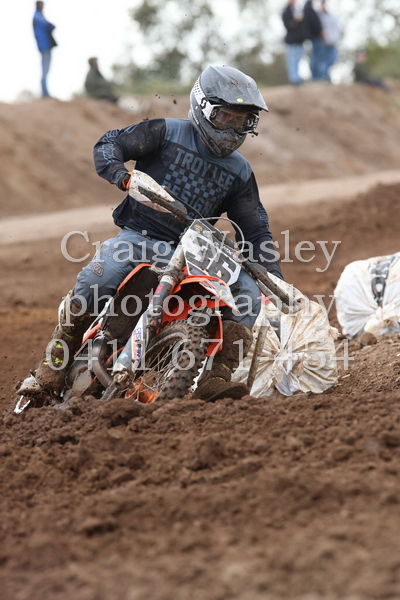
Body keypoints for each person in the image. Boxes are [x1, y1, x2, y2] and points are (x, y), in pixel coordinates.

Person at [21, 65, 283, 404]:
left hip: (196, 251)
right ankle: (54, 361)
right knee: (101, 276)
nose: (233, 128)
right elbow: (110, 143)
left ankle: (217, 376)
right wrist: (123, 176)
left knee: (247, 293)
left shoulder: (240, 171)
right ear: (204, 108)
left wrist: (274, 279)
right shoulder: (165, 132)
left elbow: (255, 230)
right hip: (142, 237)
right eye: (226, 117)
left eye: (242, 121)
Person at [33, 1, 57, 98]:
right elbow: (47, 25)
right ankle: (44, 93)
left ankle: (45, 92)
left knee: (46, 70)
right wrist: (51, 26)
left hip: (45, 46)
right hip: (44, 46)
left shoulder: (39, 16)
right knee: (45, 69)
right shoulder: (38, 16)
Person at [282, 0, 307, 85]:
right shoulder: (286, 12)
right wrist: (294, 22)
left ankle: (297, 78)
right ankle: (294, 79)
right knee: (292, 60)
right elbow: (287, 25)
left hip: (300, 40)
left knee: (298, 60)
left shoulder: (298, 10)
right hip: (292, 41)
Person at [318, 0, 341, 81]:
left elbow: (337, 27)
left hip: (332, 41)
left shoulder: (332, 15)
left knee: (333, 59)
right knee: (323, 60)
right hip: (323, 42)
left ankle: (325, 74)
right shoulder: (319, 15)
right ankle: (324, 76)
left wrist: (336, 37)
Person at [303, 0, 324, 80]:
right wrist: (320, 31)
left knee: (315, 56)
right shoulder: (308, 8)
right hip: (315, 37)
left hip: (312, 37)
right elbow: (314, 22)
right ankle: (315, 76)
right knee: (316, 56)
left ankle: (315, 76)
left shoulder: (309, 8)